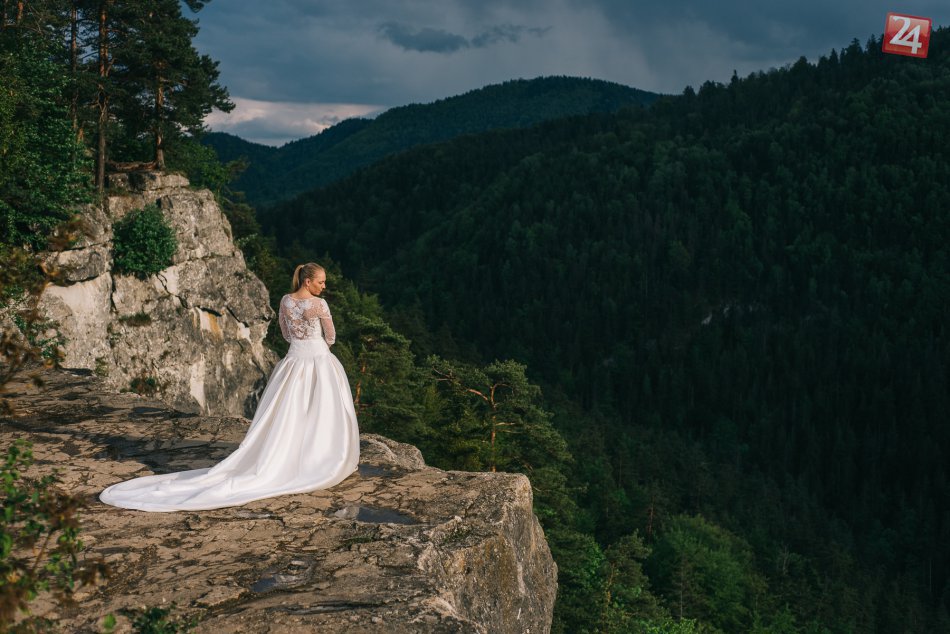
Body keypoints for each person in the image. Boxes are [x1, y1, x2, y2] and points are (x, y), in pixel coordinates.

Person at [99, 262, 360, 512]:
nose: (324, 287)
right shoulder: (319, 304)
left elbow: (286, 334)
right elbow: (331, 336)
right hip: (318, 359)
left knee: (286, 413)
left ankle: (286, 455)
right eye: (321, 282)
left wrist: (300, 345)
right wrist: (317, 348)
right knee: (321, 411)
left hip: (293, 360)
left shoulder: (286, 301)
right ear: (308, 281)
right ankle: (318, 458)